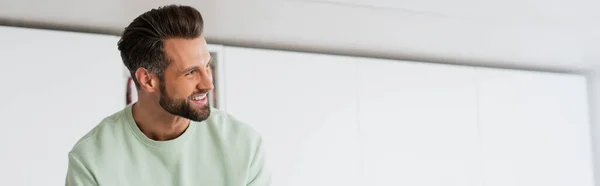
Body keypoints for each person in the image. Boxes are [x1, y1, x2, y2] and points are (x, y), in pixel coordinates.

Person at [65, 4, 270, 186]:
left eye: (207, 66)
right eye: (190, 72)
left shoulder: (244, 146)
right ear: (147, 80)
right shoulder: (92, 160)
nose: (209, 84)